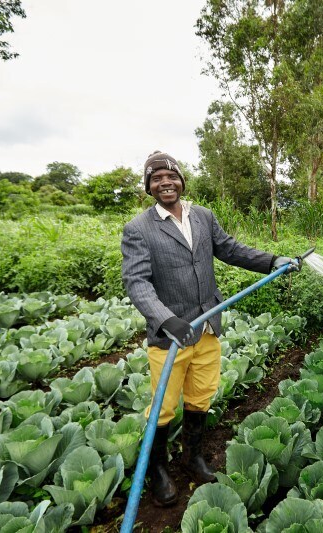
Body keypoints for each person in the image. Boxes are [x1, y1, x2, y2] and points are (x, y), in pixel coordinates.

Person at [121, 150, 299, 507]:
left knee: (201, 396)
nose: (165, 183)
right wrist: (166, 319)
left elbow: (230, 249)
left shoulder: (202, 216)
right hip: (170, 337)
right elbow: (137, 282)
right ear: (149, 187)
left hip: (206, 327)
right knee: (163, 406)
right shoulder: (138, 229)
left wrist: (271, 261)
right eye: (156, 179)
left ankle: (192, 457)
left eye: (171, 177)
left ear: (181, 181)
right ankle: (158, 470)